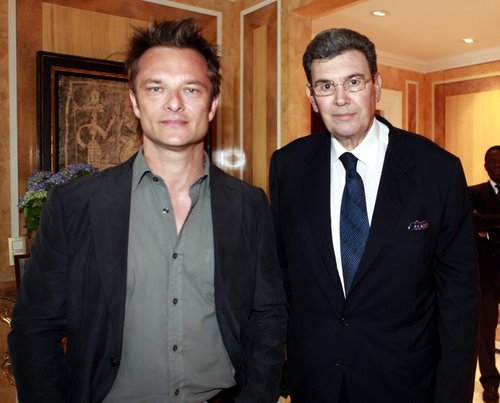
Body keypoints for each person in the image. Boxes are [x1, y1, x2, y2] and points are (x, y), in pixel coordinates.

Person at [9, 18, 287, 403]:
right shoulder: (74, 205)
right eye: (156, 88)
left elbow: (268, 316)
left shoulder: (249, 205)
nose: (174, 103)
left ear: (212, 104)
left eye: (191, 89)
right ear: (135, 102)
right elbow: (34, 329)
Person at [269, 27, 479, 402]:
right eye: (326, 86)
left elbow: (458, 301)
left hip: (405, 385)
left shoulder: (437, 170)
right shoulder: (289, 166)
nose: (341, 99)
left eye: (354, 82)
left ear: (376, 86)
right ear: (312, 98)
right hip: (316, 384)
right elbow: (282, 279)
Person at [469, 145, 500, 403]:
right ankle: (490, 383)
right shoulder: (473, 193)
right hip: (486, 274)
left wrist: (488, 228)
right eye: (493, 161)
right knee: (485, 331)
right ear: (485, 166)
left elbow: (482, 223)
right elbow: (472, 223)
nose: (497, 165)